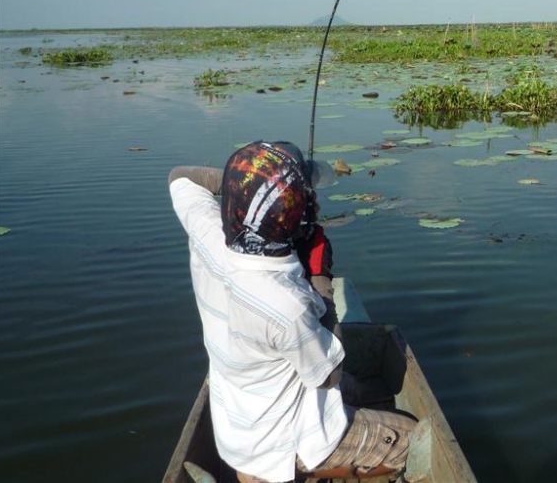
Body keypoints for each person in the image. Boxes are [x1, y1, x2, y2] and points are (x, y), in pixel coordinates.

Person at [169, 140, 417, 483]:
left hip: (236, 427)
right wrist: (320, 276)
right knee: (414, 438)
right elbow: (326, 375)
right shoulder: (286, 305)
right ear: (289, 215)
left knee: (365, 390)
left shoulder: (208, 232)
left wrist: (249, 182)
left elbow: (180, 177)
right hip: (284, 443)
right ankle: (321, 470)